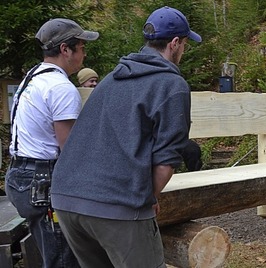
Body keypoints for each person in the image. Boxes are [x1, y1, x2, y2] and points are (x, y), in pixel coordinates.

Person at [50, 6, 200, 267]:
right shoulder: (172, 85)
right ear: (174, 43)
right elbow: (167, 158)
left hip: (66, 197)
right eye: (185, 43)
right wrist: (144, 199)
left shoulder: (112, 78)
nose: (183, 50)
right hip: (115, 202)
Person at [5, 18, 98, 268]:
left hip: (21, 174)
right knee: (63, 258)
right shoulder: (60, 87)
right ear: (65, 49)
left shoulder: (33, 76)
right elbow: (70, 150)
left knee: (52, 253)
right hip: (42, 182)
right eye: (81, 47)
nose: (84, 53)